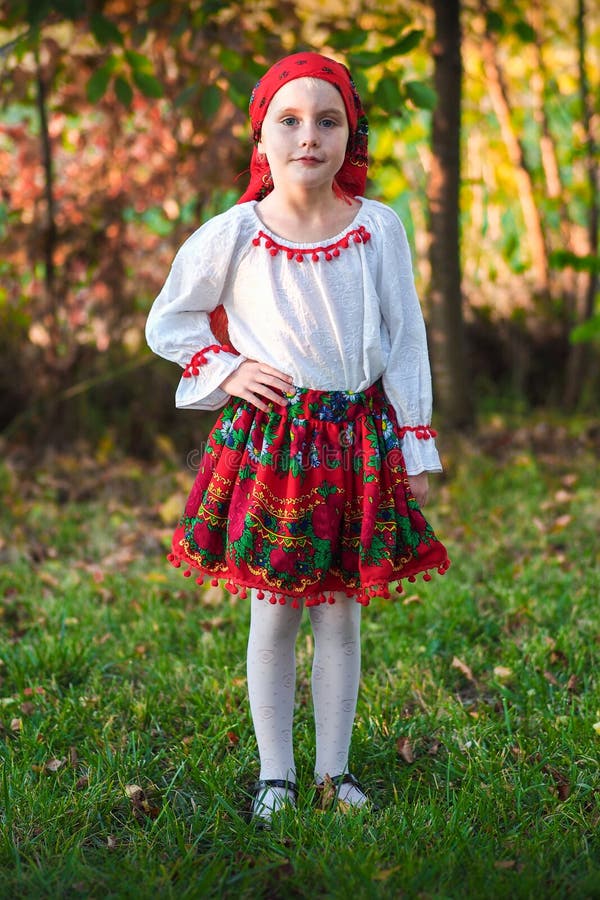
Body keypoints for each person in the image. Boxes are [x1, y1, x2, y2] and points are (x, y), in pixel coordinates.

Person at [146, 51, 450, 823]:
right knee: (276, 610)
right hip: (276, 445)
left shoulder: (378, 228)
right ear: (262, 138)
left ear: (351, 136)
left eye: (327, 120)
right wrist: (227, 368)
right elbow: (170, 320)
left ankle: (334, 773)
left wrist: (414, 445)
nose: (308, 136)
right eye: (290, 120)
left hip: (356, 439)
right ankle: (275, 775)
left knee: (340, 611)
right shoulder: (237, 232)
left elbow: (405, 337)